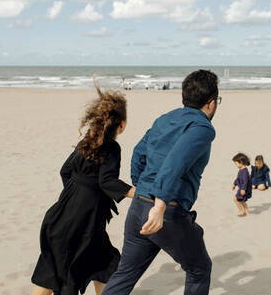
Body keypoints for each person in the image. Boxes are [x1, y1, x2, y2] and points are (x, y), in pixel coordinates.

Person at [101, 70, 221, 295]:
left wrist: (143, 191)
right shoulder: (203, 128)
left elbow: (139, 154)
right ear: (211, 103)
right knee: (199, 269)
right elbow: (175, 162)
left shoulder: (165, 119)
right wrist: (159, 205)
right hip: (166, 213)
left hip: (139, 208)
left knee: (125, 275)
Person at [31, 87, 136, 295]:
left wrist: (75, 198)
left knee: (96, 264)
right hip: (83, 225)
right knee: (72, 270)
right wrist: (139, 193)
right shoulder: (112, 147)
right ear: (121, 124)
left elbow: (65, 171)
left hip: (60, 217)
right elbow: (107, 181)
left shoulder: (85, 143)